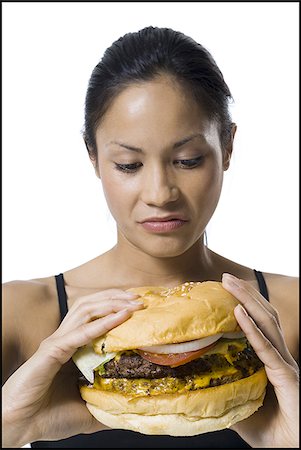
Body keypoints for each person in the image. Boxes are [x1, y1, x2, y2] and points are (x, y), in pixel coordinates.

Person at [2, 26, 299, 448]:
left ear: (228, 147)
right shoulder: (23, 315)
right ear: (93, 157)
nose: (160, 194)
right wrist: (11, 424)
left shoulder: (286, 311)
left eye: (187, 159)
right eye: (128, 164)